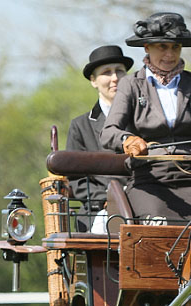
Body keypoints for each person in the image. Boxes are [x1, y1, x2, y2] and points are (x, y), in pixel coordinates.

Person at [100, 12, 191, 223]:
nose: (170, 54)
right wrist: (129, 140)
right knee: (158, 225)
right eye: (162, 46)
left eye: (175, 47)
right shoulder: (131, 85)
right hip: (150, 179)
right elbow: (109, 132)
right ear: (147, 47)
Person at [66, 45, 133, 231]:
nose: (115, 78)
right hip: (98, 209)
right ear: (93, 80)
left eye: (120, 71)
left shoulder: (143, 120)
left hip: (143, 203)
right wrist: (108, 200)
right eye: (106, 72)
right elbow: (76, 180)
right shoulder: (80, 126)